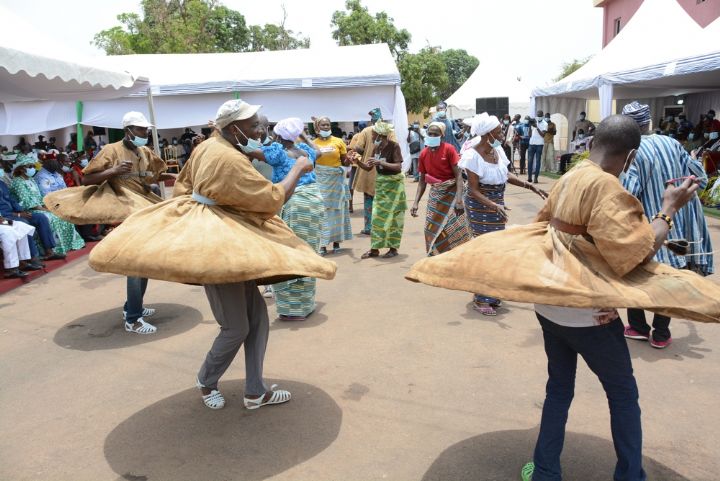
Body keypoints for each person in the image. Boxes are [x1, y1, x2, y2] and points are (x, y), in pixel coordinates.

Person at [407, 115, 720, 481]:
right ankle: (630, 475)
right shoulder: (608, 189)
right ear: (631, 156)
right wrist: (668, 209)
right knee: (622, 395)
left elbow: (543, 228)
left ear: (590, 145)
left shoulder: (569, 176)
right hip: (591, 314)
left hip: (551, 306)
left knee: (559, 388)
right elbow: (635, 253)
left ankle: (544, 471)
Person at [88, 99, 336, 410]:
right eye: (254, 126)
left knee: (257, 317)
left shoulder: (210, 146)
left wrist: (212, 210)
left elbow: (183, 185)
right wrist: (298, 167)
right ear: (235, 129)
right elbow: (271, 199)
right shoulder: (226, 158)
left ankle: (255, 390)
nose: (261, 131)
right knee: (236, 326)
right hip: (217, 246)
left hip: (231, 241)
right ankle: (206, 380)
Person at [48, 111, 170, 334]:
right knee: (134, 263)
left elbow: (152, 176)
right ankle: (133, 319)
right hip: (123, 210)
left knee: (142, 262)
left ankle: (133, 307)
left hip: (142, 207)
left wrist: (171, 177)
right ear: (129, 131)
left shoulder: (144, 151)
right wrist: (113, 171)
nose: (146, 133)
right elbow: (86, 178)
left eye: (146, 130)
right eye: (142, 130)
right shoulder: (111, 150)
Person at [620, 101, 713, 349]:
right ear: (649, 123)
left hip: (649, 226)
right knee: (668, 276)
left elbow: (628, 193)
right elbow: (700, 180)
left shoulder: (632, 153)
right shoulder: (672, 143)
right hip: (677, 222)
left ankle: (638, 327)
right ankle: (661, 334)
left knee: (638, 274)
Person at [460, 113, 547, 316]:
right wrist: (492, 204)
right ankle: (481, 297)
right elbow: (473, 189)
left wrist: (529, 185)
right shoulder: (472, 156)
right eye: (498, 131)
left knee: (498, 250)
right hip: (479, 206)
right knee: (486, 250)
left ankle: (492, 294)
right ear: (488, 133)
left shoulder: (497, 150)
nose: (501, 134)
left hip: (496, 204)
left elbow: (504, 174)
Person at [252, 117, 324, 321]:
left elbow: (250, 151)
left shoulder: (277, 151)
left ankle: (293, 310)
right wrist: (303, 135)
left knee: (289, 253)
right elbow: (317, 150)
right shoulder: (305, 151)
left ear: (277, 135)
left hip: (295, 204)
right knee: (308, 251)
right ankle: (306, 305)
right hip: (314, 202)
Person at [410, 121, 470, 256]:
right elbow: (422, 181)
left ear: (441, 136)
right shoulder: (424, 154)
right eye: (430, 133)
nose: (431, 136)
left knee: (456, 227)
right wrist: (415, 202)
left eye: (435, 134)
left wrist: (459, 200)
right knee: (429, 229)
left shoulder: (449, 149)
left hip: (453, 192)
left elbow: (458, 175)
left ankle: (456, 255)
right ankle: (435, 256)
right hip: (436, 193)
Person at [9, 154, 84, 256]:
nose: (33, 168)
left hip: (40, 207)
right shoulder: (18, 182)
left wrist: (46, 207)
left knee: (61, 214)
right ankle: (53, 250)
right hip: (28, 210)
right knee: (50, 217)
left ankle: (69, 244)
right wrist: (46, 210)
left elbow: (40, 197)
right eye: (30, 166)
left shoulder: (30, 179)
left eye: (33, 166)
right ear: (21, 169)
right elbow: (27, 202)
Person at [358, 121, 406, 259]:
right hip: (381, 187)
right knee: (377, 218)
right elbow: (368, 167)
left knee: (394, 218)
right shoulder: (376, 147)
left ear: (380, 134)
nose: (371, 135)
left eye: (373, 133)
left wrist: (381, 162)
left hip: (394, 187)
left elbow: (398, 167)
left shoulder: (394, 146)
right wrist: (357, 161)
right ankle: (375, 249)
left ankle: (393, 248)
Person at [349, 108, 396, 235]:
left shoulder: (365, 131)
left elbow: (358, 148)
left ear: (372, 120)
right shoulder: (389, 130)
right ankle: (383, 226)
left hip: (368, 171)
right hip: (385, 169)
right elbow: (394, 146)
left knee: (369, 200)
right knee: (384, 200)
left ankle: (369, 227)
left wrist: (361, 153)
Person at [313, 116, 353, 256]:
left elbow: (345, 162)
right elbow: (311, 164)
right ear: (317, 128)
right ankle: (323, 244)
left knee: (337, 212)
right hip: (321, 181)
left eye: (328, 125)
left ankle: (336, 242)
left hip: (336, 181)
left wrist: (349, 159)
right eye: (323, 125)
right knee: (322, 211)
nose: (326, 127)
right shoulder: (313, 143)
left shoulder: (338, 142)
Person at [0, 172, 60, 263]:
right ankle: (32, 257)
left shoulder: (2, 184)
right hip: (4, 219)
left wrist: (20, 210)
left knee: (41, 217)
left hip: (14, 215)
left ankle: (49, 251)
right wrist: (18, 215)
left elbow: (11, 200)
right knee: (22, 225)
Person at [527, 115, 546, 184]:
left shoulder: (545, 124)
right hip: (531, 144)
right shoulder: (534, 122)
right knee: (529, 161)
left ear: (542, 116)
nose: (538, 116)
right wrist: (530, 126)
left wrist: (537, 127)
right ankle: (529, 177)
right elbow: (529, 135)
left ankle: (535, 178)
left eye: (540, 115)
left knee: (538, 161)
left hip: (539, 145)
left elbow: (543, 135)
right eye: (538, 115)